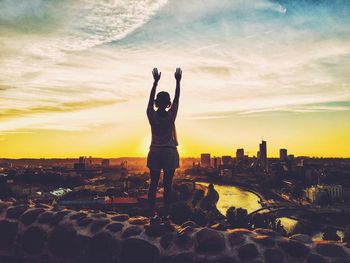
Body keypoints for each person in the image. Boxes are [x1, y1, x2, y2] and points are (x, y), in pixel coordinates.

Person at [147, 67, 182, 222]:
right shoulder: (171, 115)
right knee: (167, 185)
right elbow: (177, 99)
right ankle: (167, 215)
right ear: (167, 103)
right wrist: (178, 81)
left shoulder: (151, 114)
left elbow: (149, 102)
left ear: (156, 103)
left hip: (154, 152)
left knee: (153, 185)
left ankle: (151, 214)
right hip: (169, 152)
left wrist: (155, 83)